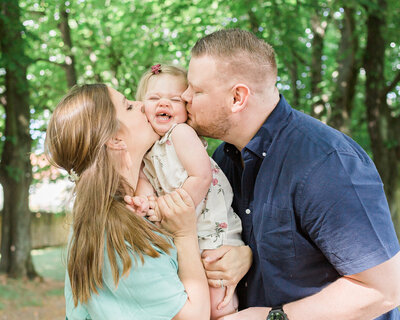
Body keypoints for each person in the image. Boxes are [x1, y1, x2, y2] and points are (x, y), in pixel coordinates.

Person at [181, 28, 400, 319]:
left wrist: (273, 317)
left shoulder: (326, 162)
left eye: (196, 90)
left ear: (237, 98)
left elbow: (383, 290)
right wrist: (246, 256)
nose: (184, 96)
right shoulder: (222, 159)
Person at [45, 84, 210, 320]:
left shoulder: (137, 202)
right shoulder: (115, 232)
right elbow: (194, 316)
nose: (143, 105)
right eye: (129, 106)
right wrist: (185, 234)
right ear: (115, 139)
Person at [128, 64, 249, 319]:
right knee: (194, 292)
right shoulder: (149, 147)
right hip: (187, 234)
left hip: (213, 228)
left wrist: (166, 209)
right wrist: (146, 202)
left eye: (175, 99)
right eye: (154, 98)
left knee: (219, 300)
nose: (165, 104)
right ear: (142, 107)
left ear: (186, 108)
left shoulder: (180, 134)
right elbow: (145, 182)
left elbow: (201, 176)